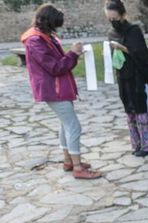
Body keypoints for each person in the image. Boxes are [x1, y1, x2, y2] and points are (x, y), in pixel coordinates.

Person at [21, 4, 101, 179]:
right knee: (74, 126)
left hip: (57, 87)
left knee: (65, 124)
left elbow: (59, 62)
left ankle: (69, 160)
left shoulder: (45, 36)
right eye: (54, 25)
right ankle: (78, 168)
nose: (56, 29)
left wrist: (73, 54)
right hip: (53, 89)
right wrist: (72, 53)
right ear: (48, 22)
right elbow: (56, 67)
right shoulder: (35, 41)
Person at [105, 0, 148, 157]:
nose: (113, 22)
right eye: (110, 19)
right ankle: (136, 143)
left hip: (137, 76)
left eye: (115, 19)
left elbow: (142, 55)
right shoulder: (111, 33)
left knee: (140, 106)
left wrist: (124, 49)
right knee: (129, 108)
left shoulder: (133, 31)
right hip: (123, 76)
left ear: (123, 15)